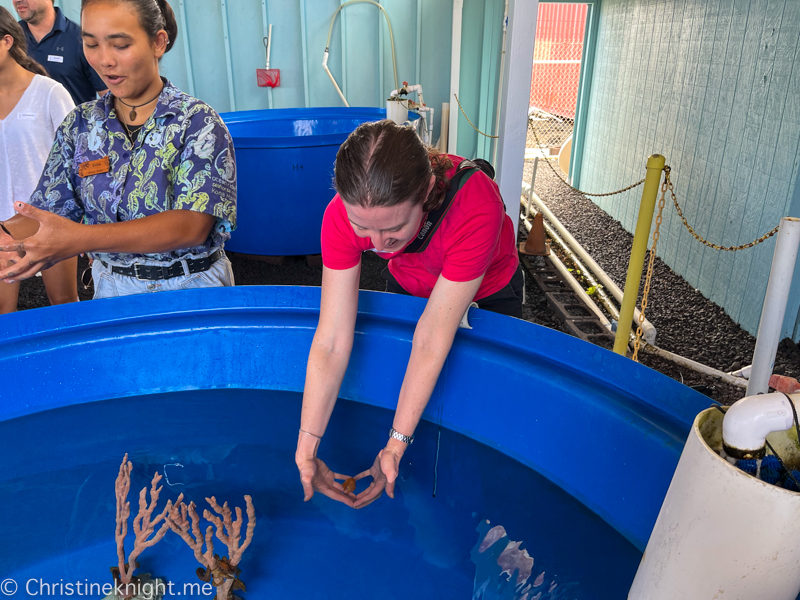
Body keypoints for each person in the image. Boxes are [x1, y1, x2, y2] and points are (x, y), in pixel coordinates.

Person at [295, 120, 522, 508]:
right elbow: (331, 338)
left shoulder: (477, 205)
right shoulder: (341, 216)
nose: (379, 247)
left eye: (394, 230)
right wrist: (307, 446)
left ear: (428, 192)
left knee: (482, 397)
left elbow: (433, 335)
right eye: (362, 229)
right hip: (414, 280)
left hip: (487, 288)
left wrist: (395, 445)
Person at [0, 0, 237, 297]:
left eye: (120, 45)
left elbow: (190, 226)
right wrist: (6, 233)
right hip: (110, 287)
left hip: (190, 285)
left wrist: (81, 239)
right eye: (90, 44)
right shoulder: (81, 125)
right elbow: (49, 208)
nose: (103, 60)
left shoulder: (197, 121)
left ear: (158, 42)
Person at [0, 6, 78, 314]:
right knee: (4, 317)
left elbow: (79, 160)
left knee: (64, 305)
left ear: (6, 42)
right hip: (2, 227)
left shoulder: (49, 92)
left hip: (50, 219)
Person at [13, 0, 108, 105]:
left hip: (74, 120)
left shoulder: (81, 40)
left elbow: (109, 95)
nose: (18, 0)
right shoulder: (9, 40)